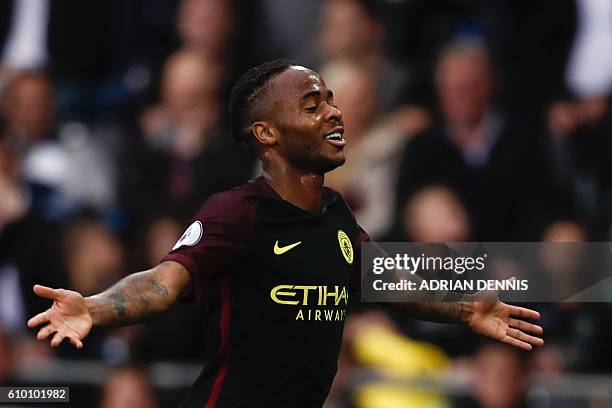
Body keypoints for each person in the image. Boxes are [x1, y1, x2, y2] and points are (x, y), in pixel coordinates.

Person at [27, 60, 544, 407]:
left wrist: (466, 309)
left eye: (332, 100)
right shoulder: (236, 212)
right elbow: (163, 283)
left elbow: (386, 281)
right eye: (312, 105)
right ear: (267, 133)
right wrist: (93, 308)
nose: (334, 112)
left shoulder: (337, 215)